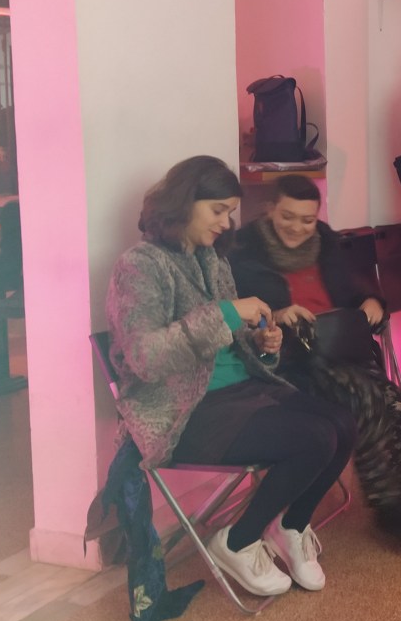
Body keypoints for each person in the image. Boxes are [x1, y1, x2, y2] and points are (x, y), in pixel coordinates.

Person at [106, 156, 356, 596]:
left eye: (229, 212)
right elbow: (145, 357)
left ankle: (291, 527)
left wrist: (261, 344)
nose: (226, 222)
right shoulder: (139, 265)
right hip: (185, 410)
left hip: (241, 392)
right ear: (185, 202)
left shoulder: (212, 260)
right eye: (218, 210)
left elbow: (228, 340)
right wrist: (225, 312)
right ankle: (237, 542)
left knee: (344, 423)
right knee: (314, 438)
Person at [229, 175, 401, 546]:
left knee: (392, 400)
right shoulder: (244, 253)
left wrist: (371, 300)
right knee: (368, 397)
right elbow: (237, 318)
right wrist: (276, 316)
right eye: (287, 217)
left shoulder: (326, 242)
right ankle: (393, 509)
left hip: (339, 349)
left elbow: (354, 287)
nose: (297, 227)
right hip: (291, 361)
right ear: (270, 210)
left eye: (307, 219)